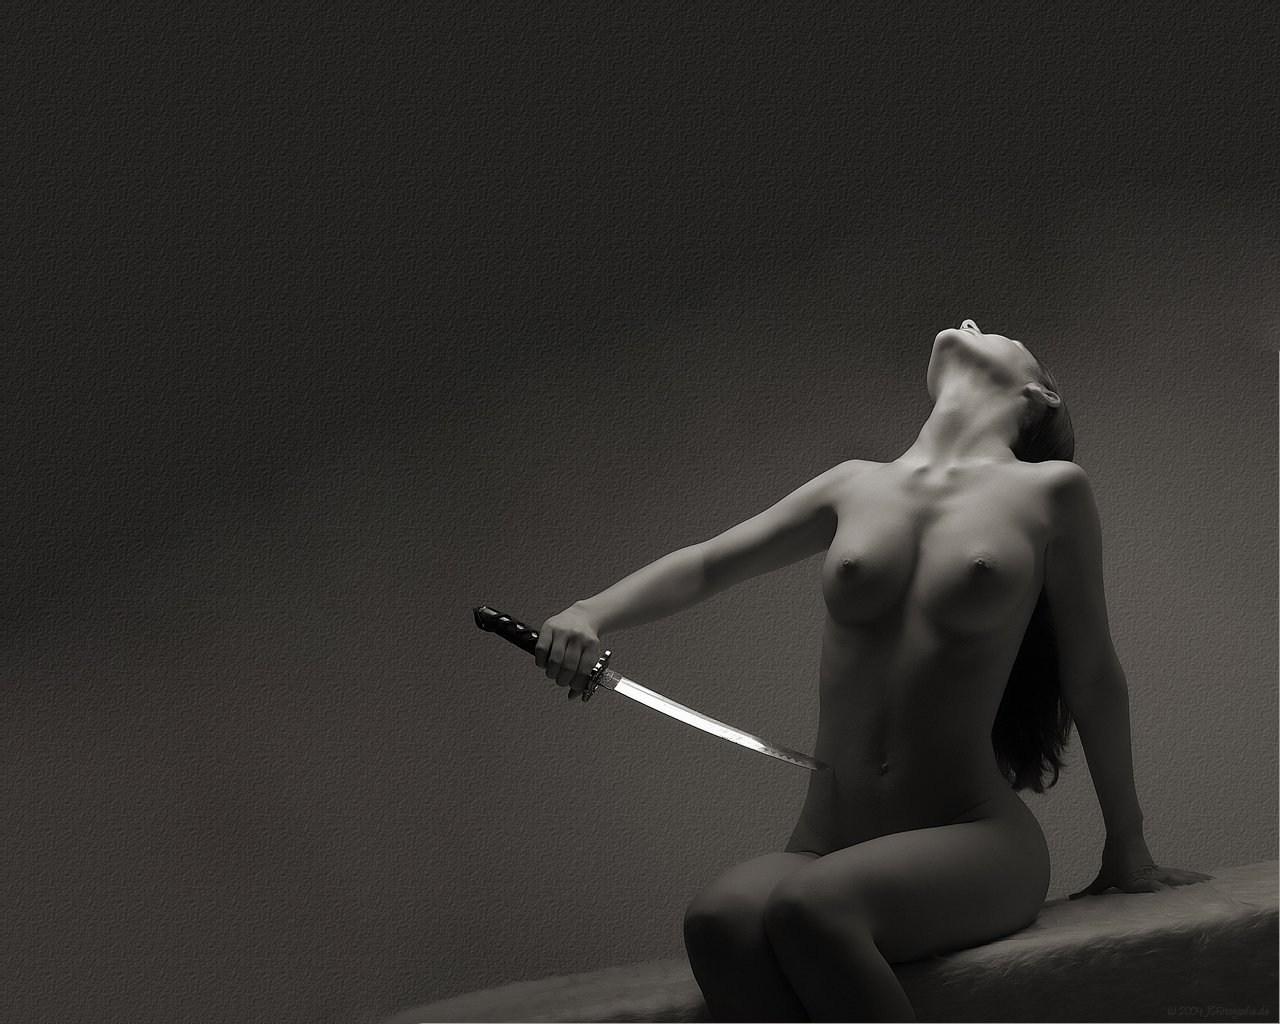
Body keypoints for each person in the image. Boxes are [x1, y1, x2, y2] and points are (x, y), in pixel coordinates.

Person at [533, 319, 1212, 1022]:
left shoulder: (1053, 492)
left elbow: (1092, 673)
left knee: (814, 909)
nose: (970, 323)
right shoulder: (851, 484)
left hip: (970, 834)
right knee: (718, 922)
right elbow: (709, 563)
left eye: (996, 334)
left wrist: (1128, 845)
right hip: (826, 844)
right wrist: (589, 612)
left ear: (1040, 395)